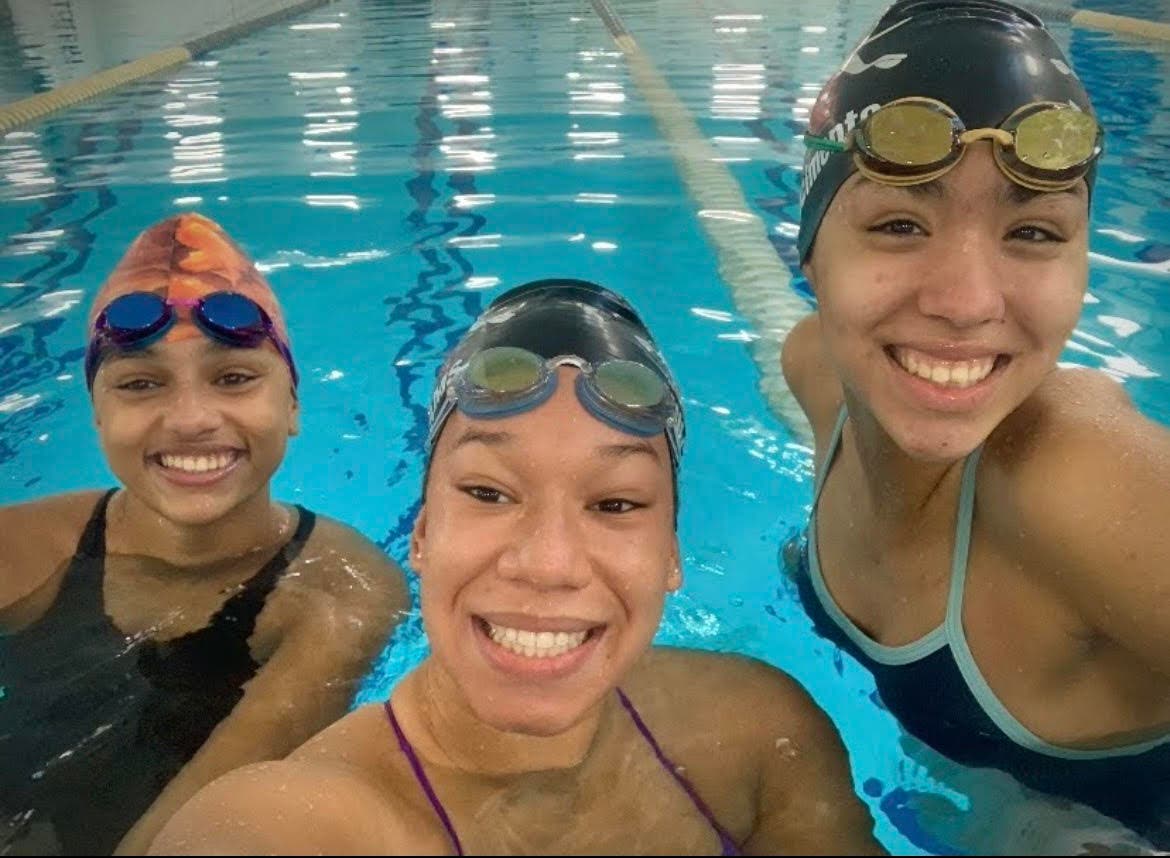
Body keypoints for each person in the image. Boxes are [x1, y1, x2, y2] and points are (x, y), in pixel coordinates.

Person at [147, 277, 884, 856]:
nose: (549, 564)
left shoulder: (757, 732)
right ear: (423, 534)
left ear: (670, 555)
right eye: (489, 493)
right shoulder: (295, 823)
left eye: (616, 503)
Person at [780, 0, 1170, 848]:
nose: (965, 303)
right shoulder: (815, 370)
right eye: (899, 224)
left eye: (1033, 230)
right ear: (810, 252)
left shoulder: (1079, 475)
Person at [0, 212, 410, 856]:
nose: (191, 418)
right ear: (97, 415)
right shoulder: (23, 549)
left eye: (234, 377)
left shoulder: (342, 593)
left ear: (292, 405)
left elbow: (192, 832)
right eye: (140, 383)